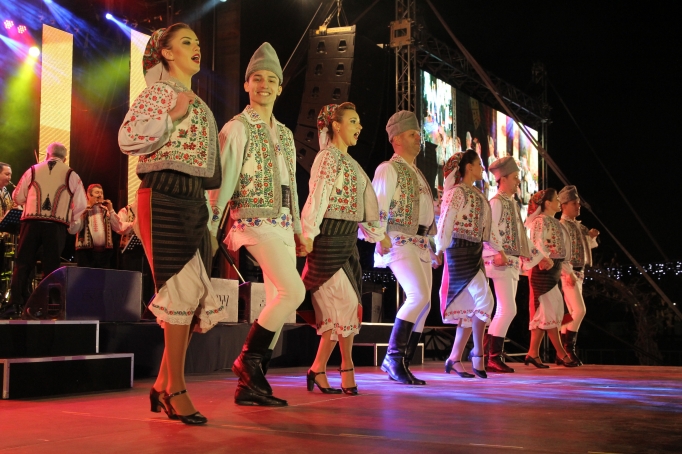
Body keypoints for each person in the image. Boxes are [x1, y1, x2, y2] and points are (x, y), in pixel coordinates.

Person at [119, 23, 226, 425]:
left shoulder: (197, 100)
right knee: (180, 291)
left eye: (197, 42)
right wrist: (172, 116)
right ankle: (175, 388)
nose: (196, 47)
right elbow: (127, 137)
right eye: (186, 42)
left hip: (192, 199)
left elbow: (210, 170)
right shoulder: (160, 93)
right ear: (165, 52)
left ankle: (164, 382)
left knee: (192, 293)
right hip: (163, 192)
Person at [208, 43, 305, 407]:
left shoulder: (286, 134)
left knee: (283, 297)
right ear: (246, 84)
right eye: (257, 79)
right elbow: (222, 183)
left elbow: (292, 184)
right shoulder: (237, 128)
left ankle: (251, 382)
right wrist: (212, 226)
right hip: (253, 220)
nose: (264, 85)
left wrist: (298, 228)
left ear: (280, 87)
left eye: (271, 80)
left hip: (282, 222)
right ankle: (247, 361)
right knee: (292, 292)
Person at [300, 103, 387, 395]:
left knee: (341, 312)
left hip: (347, 242)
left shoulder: (352, 164)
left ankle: (319, 369)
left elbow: (365, 205)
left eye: (359, 122)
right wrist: (308, 233)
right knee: (344, 307)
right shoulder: (327, 157)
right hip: (328, 240)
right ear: (336, 125)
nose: (359, 127)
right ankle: (345, 367)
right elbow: (318, 195)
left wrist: (378, 235)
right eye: (353, 121)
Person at [373, 111, 438, 386]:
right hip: (398, 238)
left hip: (420, 242)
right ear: (397, 139)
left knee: (425, 303)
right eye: (413, 134)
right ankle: (393, 357)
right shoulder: (389, 169)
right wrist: (379, 235)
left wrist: (431, 245)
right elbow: (377, 203)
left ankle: (403, 363)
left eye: (418, 134)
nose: (418, 139)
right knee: (417, 295)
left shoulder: (417, 173)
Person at [2, 143, 87, 318]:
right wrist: (70, 219)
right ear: (65, 158)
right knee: (51, 267)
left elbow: (18, 196)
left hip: (31, 223)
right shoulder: (72, 174)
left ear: (47, 155)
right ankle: (48, 307)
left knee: (23, 264)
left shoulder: (33, 170)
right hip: (56, 225)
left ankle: (14, 305)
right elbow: (81, 204)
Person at [436, 149, 500, 379]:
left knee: (469, 305)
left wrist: (499, 249)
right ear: (469, 167)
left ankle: (454, 358)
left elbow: (488, 229)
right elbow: (445, 221)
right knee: (485, 299)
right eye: (479, 164)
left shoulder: (478, 194)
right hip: (459, 251)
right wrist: (439, 249)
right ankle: (478, 351)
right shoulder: (456, 192)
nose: (482, 168)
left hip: (475, 251)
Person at [482, 157, 531, 373]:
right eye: (514, 178)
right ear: (502, 179)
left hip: (510, 261)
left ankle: (491, 355)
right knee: (508, 308)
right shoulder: (496, 202)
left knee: (506, 309)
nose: (518, 181)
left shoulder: (511, 203)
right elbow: (489, 230)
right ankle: (492, 356)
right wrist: (497, 252)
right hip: (500, 260)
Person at [521, 190, 578, 368]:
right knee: (549, 311)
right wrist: (542, 260)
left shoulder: (555, 222)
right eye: (556, 200)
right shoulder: (540, 221)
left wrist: (568, 271)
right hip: (543, 271)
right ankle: (561, 353)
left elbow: (562, 253)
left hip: (554, 270)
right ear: (547, 203)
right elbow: (536, 242)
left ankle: (532, 353)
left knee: (545, 313)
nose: (559, 202)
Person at [558, 185, 599, 365]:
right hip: (568, 272)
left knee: (571, 312)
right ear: (564, 205)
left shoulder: (579, 226)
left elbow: (583, 247)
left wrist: (591, 237)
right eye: (574, 203)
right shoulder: (561, 226)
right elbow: (560, 253)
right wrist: (567, 272)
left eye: (578, 203)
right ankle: (568, 349)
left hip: (578, 272)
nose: (578, 206)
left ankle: (562, 353)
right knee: (580, 310)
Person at [71, 184, 122, 269]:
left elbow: (118, 227)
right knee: (86, 276)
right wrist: (82, 213)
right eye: (97, 192)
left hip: (104, 254)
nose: (100, 195)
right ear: (89, 195)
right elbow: (73, 229)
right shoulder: (82, 209)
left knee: (102, 276)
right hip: (85, 253)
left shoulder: (106, 210)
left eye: (101, 193)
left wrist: (111, 210)